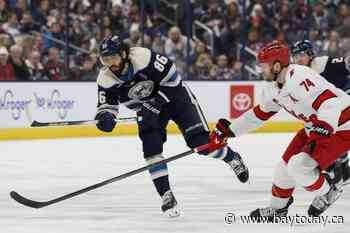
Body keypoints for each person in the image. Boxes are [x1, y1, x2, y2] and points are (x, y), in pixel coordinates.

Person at [94, 35, 249, 217]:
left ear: (124, 53)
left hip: (176, 99)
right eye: (105, 59)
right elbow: (106, 107)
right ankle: (166, 195)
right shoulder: (105, 78)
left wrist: (155, 103)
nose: (109, 63)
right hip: (148, 110)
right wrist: (105, 118)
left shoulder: (143, 58)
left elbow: (174, 79)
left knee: (200, 144)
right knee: (151, 149)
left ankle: (231, 157)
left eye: (112, 57)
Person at [214, 40, 350, 219]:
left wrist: (323, 128)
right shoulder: (273, 88)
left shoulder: (300, 77)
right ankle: (278, 209)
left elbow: (330, 102)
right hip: (316, 126)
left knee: (299, 166)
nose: (261, 70)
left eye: (264, 66)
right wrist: (229, 131)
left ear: (277, 66)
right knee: (283, 169)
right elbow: (258, 115)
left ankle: (328, 190)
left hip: (341, 125)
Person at [291, 40, 350, 183]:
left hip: (342, 101)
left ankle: (339, 168)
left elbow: (347, 64)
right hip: (329, 107)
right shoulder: (296, 73)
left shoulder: (323, 63)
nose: (298, 59)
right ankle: (341, 169)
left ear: (311, 55)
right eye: (295, 55)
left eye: (302, 55)